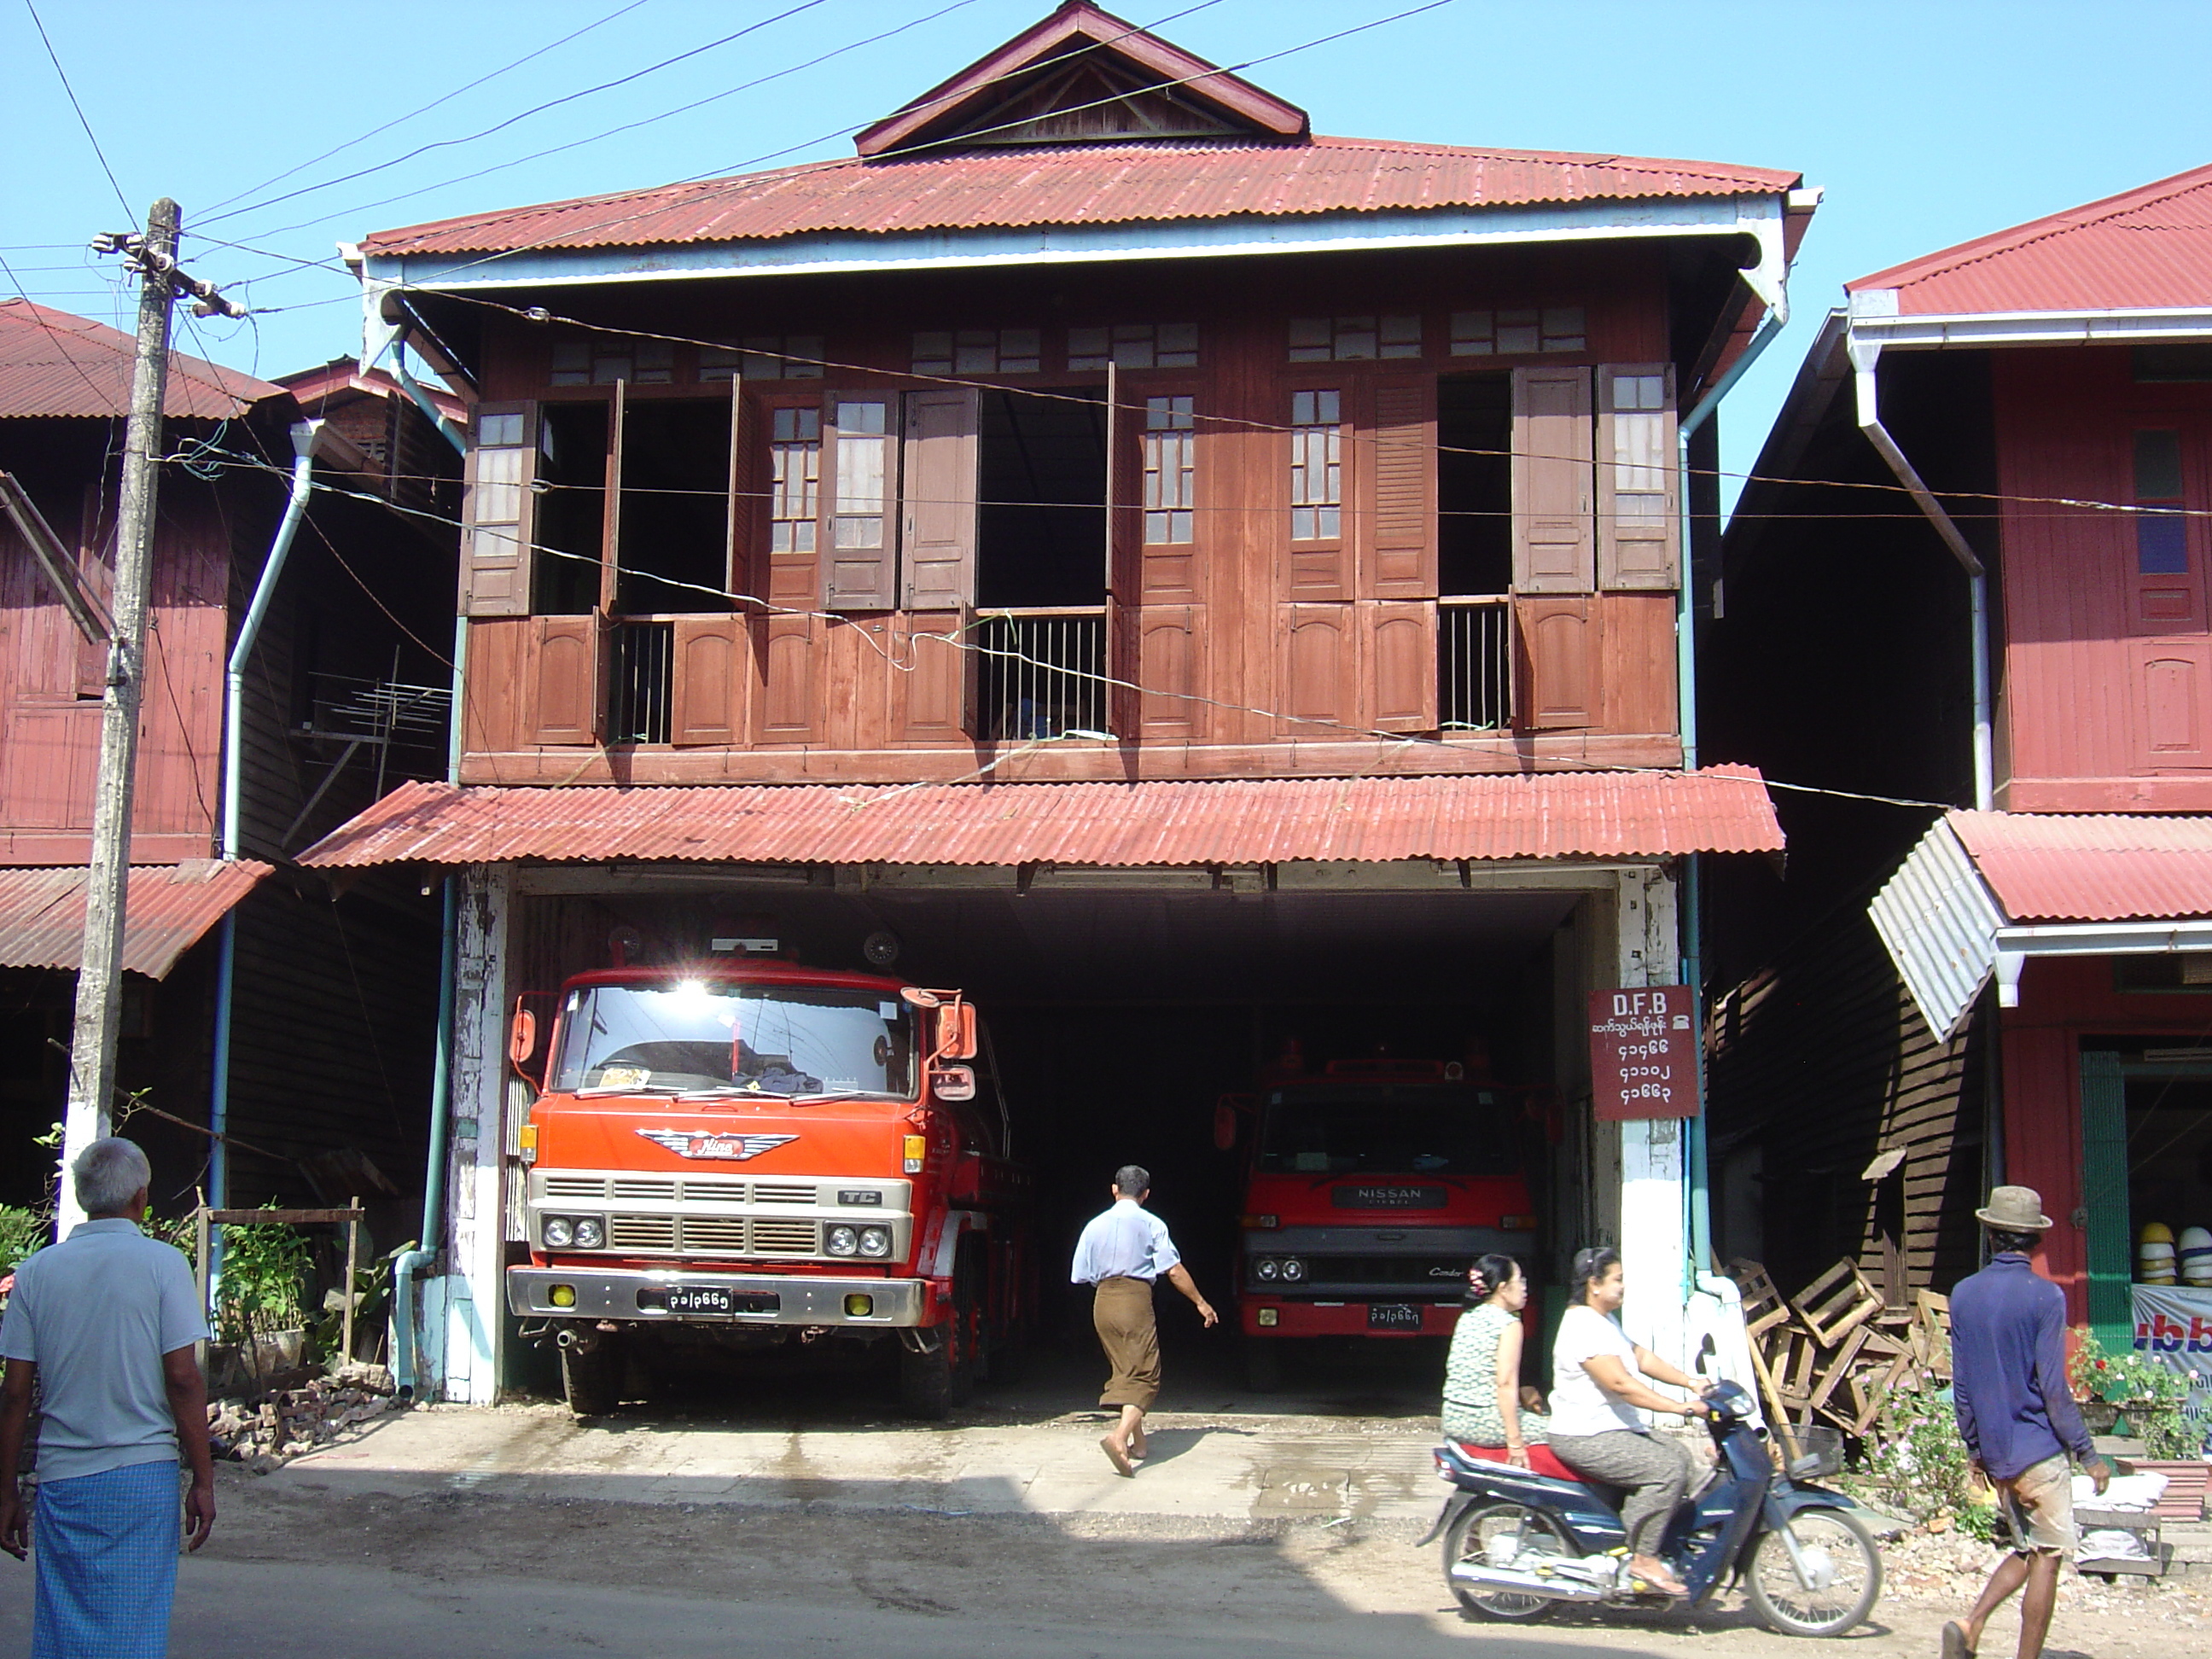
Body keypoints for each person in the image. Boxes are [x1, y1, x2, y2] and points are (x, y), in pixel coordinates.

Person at [0, 1138, 216, 1657]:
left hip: (61, 1478)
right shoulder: (164, 1265)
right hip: (142, 1476)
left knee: (64, 1625)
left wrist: (6, 1490)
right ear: (142, 1197)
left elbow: (15, 1395)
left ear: (81, 1196)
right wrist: (204, 1479)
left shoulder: (35, 1273)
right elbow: (183, 1380)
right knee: (134, 1626)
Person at [1941, 1186, 2113, 1659]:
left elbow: (1962, 1387)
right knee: (2049, 1558)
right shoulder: (2046, 1298)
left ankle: (1970, 1624)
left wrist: (1975, 1449)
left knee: (2027, 1549)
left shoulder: (1964, 1294)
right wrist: (2089, 1453)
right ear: (2035, 1241)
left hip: (1998, 1455)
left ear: (1991, 1236)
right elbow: (2053, 1389)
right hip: (2039, 1451)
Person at [1545, 1245, 1713, 1598]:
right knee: (1665, 1468)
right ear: (1594, 1284)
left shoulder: (1604, 1320)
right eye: (1618, 1280)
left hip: (1611, 1428)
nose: (1623, 1287)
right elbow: (1620, 1384)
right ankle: (1643, 1556)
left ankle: (1658, 1542)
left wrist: (1690, 1381)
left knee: (1682, 1457)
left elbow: (1641, 1357)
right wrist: (1679, 1408)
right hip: (1585, 1435)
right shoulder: (1582, 1326)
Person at [1069, 1164, 1217, 1477]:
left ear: (1114, 1189)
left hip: (1103, 1302)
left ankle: (1140, 1444)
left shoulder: (1093, 1225)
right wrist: (1201, 1303)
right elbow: (1173, 1270)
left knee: (1126, 1370)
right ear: (1146, 1194)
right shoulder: (1152, 1224)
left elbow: (1079, 1274)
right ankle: (1118, 1438)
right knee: (1146, 1376)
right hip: (1133, 1300)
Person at [1441, 1254, 1549, 1465]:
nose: (1525, 1287)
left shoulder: (1468, 1317)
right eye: (1520, 1281)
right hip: (1486, 1422)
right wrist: (1515, 1443)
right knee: (1564, 1433)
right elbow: (1504, 1384)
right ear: (1503, 1287)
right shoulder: (1508, 1324)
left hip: (1453, 1419)